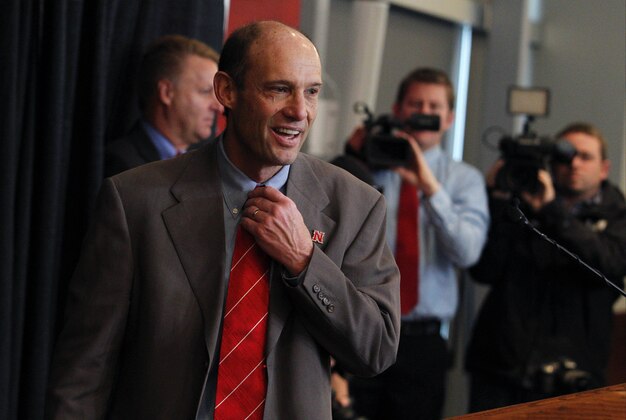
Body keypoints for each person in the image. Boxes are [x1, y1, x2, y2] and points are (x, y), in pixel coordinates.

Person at [46, 20, 400, 420]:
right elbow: (84, 370)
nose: (299, 111)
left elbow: (377, 350)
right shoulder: (135, 201)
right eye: (279, 89)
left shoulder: (356, 205)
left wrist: (305, 261)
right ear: (226, 91)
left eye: (312, 92)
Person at [333, 68, 490, 420]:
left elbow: (467, 252)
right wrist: (351, 158)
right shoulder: (364, 169)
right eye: (415, 103)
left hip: (423, 341)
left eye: (433, 106)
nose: (423, 112)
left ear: (449, 118)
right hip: (361, 328)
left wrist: (430, 187)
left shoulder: (464, 180)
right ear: (397, 109)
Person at [466, 122, 626, 412]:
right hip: (502, 367)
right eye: (565, 156)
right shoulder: (520, 204)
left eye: (585, 156)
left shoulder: (618, 216)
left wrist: (552, 210)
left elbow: (608, 265)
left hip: (575, 374)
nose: (574, 164)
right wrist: (498, 201)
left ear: (604, 168)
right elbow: (484, 270)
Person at [104, 34, 223, 177]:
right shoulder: (123, 166)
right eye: (205, 91)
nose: (219, 107)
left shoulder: (206, 166)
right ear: (166, 92)